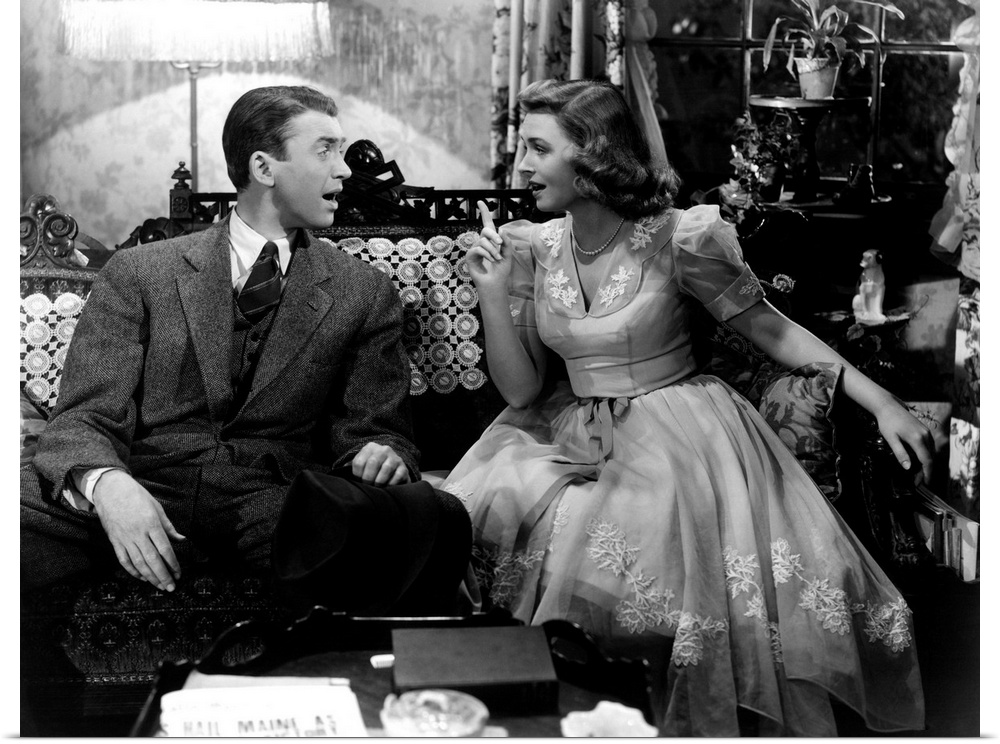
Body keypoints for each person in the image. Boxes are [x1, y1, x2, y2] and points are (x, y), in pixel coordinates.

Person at [445, 78, 933, 736]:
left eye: (538, 148)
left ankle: (643, 718)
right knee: (480, 513)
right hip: (569, 427)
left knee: (614, 542)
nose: (521, 168)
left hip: (677, 435)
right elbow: (522, 391)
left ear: (594, 154)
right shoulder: (533, 246)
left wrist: (882, 402)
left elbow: (772, 330)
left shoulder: (682, 236)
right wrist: (492, 292)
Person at [20, 86, 453, 602]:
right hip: (146, 481)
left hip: (274, 499)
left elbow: (376, 429)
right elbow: (85, 415)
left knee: (429, 524)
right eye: (325, 151)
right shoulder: (140, 272)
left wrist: (380, 454)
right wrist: (109, 486)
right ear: (264, 168)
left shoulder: (362, 291)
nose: (343, 170)